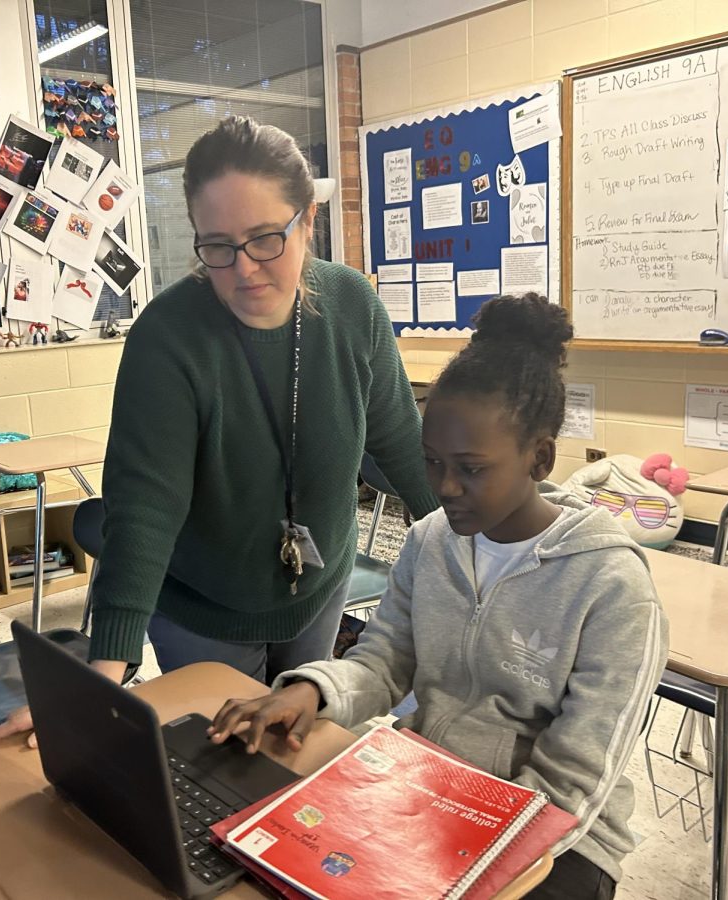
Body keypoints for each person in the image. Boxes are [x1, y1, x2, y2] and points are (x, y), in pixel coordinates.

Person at [0, 116, 437, 748]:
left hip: (319, 589)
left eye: (265, 239)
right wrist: (102, 677)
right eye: (217, 245)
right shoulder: (168, 336)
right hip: (205, 609)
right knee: (232, 768)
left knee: (300, 751)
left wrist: (486, 557)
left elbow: (403, 448)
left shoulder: (353, 305)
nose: (244, 268)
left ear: (308, 222)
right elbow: (144, 509)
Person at [209, 294, 667, 900]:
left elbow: (578, 775)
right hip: (427, 785)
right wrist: (310, 690)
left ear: (541, 457)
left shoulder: (610, 586)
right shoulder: (431, 543)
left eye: (472, 469)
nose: (445, 487)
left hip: (559, 839)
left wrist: (474, 854)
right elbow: (384, 659)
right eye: (431, 462)